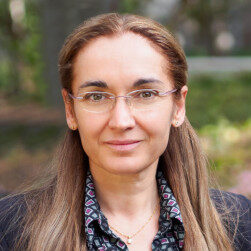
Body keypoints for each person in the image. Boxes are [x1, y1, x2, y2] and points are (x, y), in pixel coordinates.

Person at [0, 13, 250, 251]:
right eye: (96, 96)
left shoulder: (239, 223)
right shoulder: (10, 230)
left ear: (178, 106)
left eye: (145, 94)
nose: (121, 121)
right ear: (70, 110)